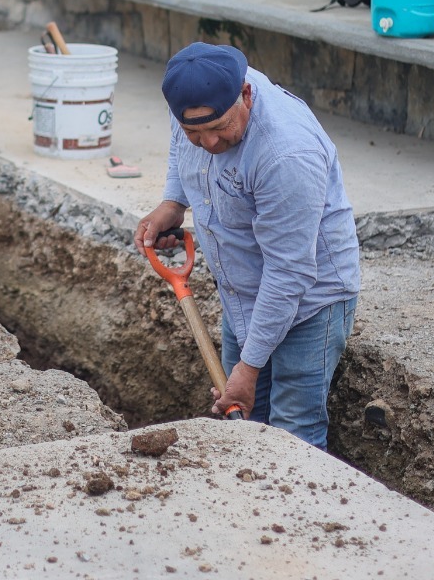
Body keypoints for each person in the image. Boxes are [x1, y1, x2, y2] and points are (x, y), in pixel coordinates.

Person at [133, 42, 361, 448]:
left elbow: (289, 272)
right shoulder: (193, 102)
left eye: (220, 129)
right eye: (195, 133)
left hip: (309, 300)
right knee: (244, 424)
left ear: (246, 95)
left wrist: (249, 367)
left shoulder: (285, 154)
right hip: (242, 290)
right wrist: (173, 201)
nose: (210, 144)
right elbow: (181, 143)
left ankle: (303, 511)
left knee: (293, 433)